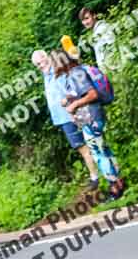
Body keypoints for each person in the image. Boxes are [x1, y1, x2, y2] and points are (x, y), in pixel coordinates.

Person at [50, 49, 125, 199]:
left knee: (99, 153)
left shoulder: (76, 74)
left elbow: (92, 94)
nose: (52, 67)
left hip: (91, 118)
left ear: (58, 62)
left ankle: (115, 188)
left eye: (53, 63)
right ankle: (118, 182)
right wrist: (68, 98)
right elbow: (80, 91)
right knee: (103, 150)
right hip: (90, 118)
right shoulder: (74, 73)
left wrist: (74, 104)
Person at [32, 50, 100, 190]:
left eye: (40, 62)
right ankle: (96, 176)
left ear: (46, 57)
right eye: (36, 64)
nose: (39, 66)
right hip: (63, 118)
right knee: (82, 147)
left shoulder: (59, 71)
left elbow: (72, 90)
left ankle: (97, 178)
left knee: (87, 145)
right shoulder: (46, 75)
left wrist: (71, 106)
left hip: (72, 114)